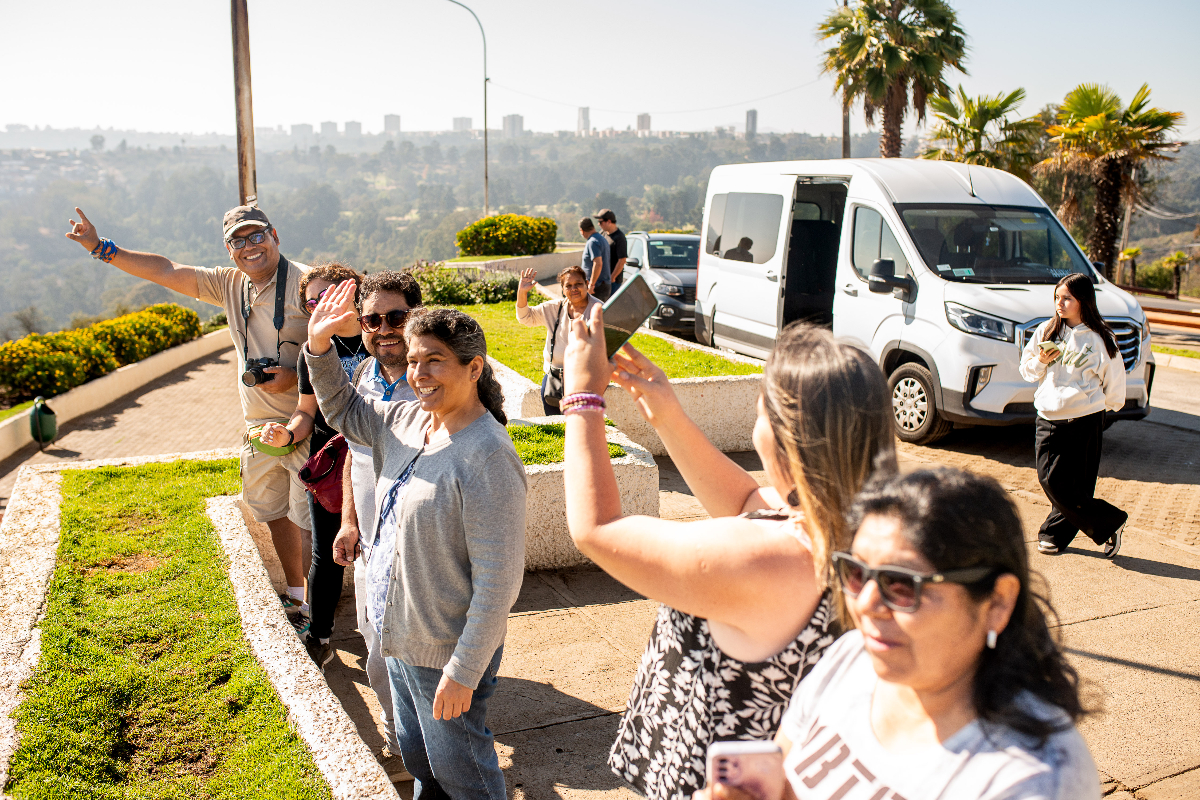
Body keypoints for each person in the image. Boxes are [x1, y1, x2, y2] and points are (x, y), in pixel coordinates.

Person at [561, 316, 897, 800]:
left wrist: (582, 397)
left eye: (761, 412)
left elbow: (598, 530)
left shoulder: (764, 559)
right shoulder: (862, 527)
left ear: (783, 436)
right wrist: (664, 412)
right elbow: (746, 504)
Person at [697, 467, 1099, 800]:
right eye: (855, 573)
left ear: (997, 603)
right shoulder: (853, 657)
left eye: (902, 584)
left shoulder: (1033, 781)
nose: (866, 604)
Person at [306, 282, 527, 799]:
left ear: (474, 369)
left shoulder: (487, 455)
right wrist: (317, 347)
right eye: (413, 360)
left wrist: (464, 672)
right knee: (422, 763)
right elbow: (341, 409)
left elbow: (499, 582)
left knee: (466, 777)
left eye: (435, 361)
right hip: (397, 633)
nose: (419, 374)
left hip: (444, 650)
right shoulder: (406, 420)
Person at [66, 204, 313, 626]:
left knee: (308, 515)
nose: (250, 246)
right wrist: (99, 247)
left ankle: (318, 603)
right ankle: (297, 597)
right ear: (229, 248)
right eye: (239, 240)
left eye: (257, 236)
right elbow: (166, 270)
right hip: (259, 426)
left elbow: (344, 346)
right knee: (273, 511)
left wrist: (295, 376)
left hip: (309, 424)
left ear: (275, 235)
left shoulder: (307, 283)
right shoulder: (230, 284)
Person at [331, 269, 422, 781]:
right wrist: (348, 522)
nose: (384, 328)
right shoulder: (362, 378)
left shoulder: (435, 374)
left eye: (396, 316)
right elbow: (353, 454)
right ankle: (400, 738)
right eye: (372, 320)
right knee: (376, 643)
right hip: (371, 546)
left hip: (424, 547)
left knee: (430, 652)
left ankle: (438, 745)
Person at [259, 263, 368, 672]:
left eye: (329, 294)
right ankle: (320, 636)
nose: (320, 305)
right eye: (311, 301)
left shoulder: (380, 337)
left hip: (381, 458)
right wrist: (287, 436)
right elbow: (306, 412)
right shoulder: (312, 353)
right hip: (331, 467)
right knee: (328, 554)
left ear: (351, 292)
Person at [1019, 273, 1127, 558]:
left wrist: (1111, 405)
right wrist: (1040, 362)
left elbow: (1114, 377)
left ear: (1083, 301)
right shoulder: (1046, 331)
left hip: (1086, 418)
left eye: (1067, 298)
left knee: (1077, 484)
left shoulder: (1101, 337)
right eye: (1057, 297)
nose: (1060, 303)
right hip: (1049, 416)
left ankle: (1053, 535)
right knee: (1051, 480)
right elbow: (1026, 371)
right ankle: (1110, 522)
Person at [515, 265, 602, 415]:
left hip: (585, 379)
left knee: (578, 421)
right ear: (562, 289)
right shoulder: (554, 308)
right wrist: (522, 292)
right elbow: (525, 318)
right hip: (554, 379)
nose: (574, 288)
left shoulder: (599, 310)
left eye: (578, 284)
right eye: (568, 285)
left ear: (587, 284)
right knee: (555, 423)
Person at [579, 217, 612, 300]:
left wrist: (591, 284)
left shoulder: (592, 242)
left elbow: (598, 263)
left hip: (597, 287)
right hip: (603, 284)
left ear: (582, 230)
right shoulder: (602, 239)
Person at [597, 209, 628, 292]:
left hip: (613, 282)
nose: (599, 224)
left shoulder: (619, 237)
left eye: (600, 222)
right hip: (602, 280)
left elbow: (622, 260)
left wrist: (612, 277)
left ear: (609, 222)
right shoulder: (602, 234)